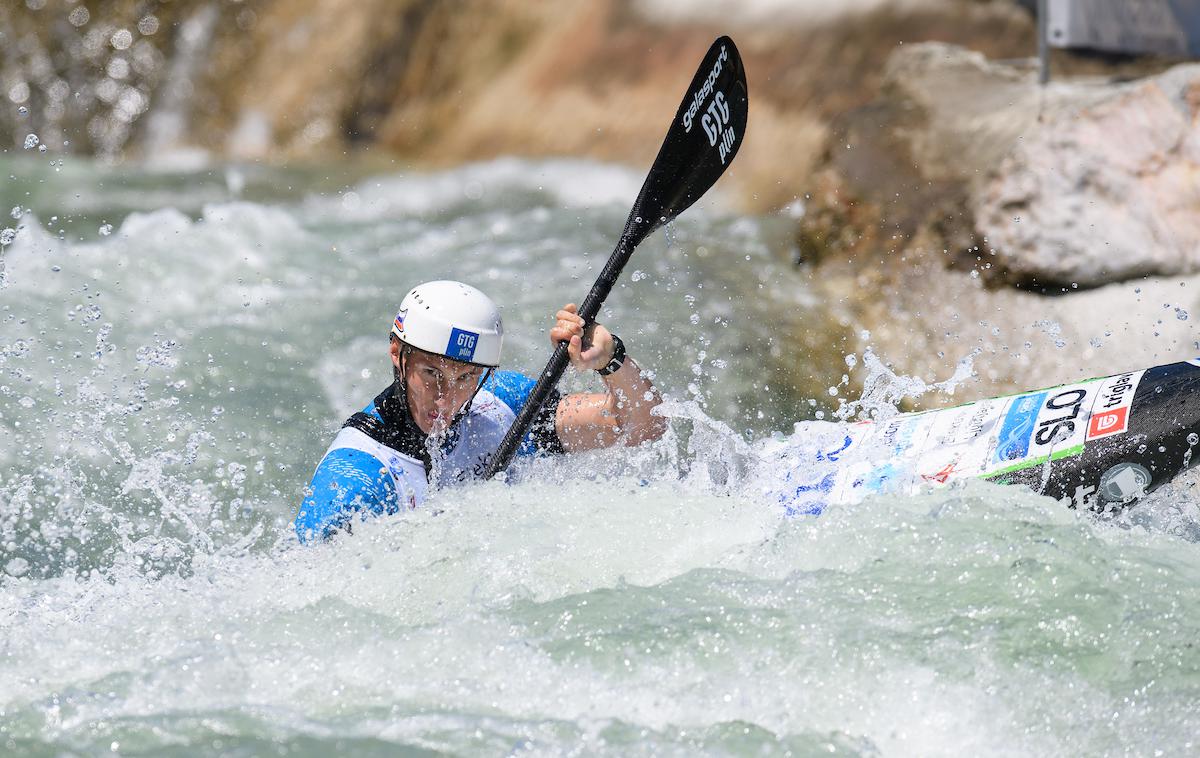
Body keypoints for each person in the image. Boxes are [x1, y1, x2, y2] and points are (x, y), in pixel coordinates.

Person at [294, 280, 666, 542]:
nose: (446, 399)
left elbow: (640, 427)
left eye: (466, 377)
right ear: (397, 354)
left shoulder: (502, 403)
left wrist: (611, 359)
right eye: (431, 373)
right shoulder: (355, 479)